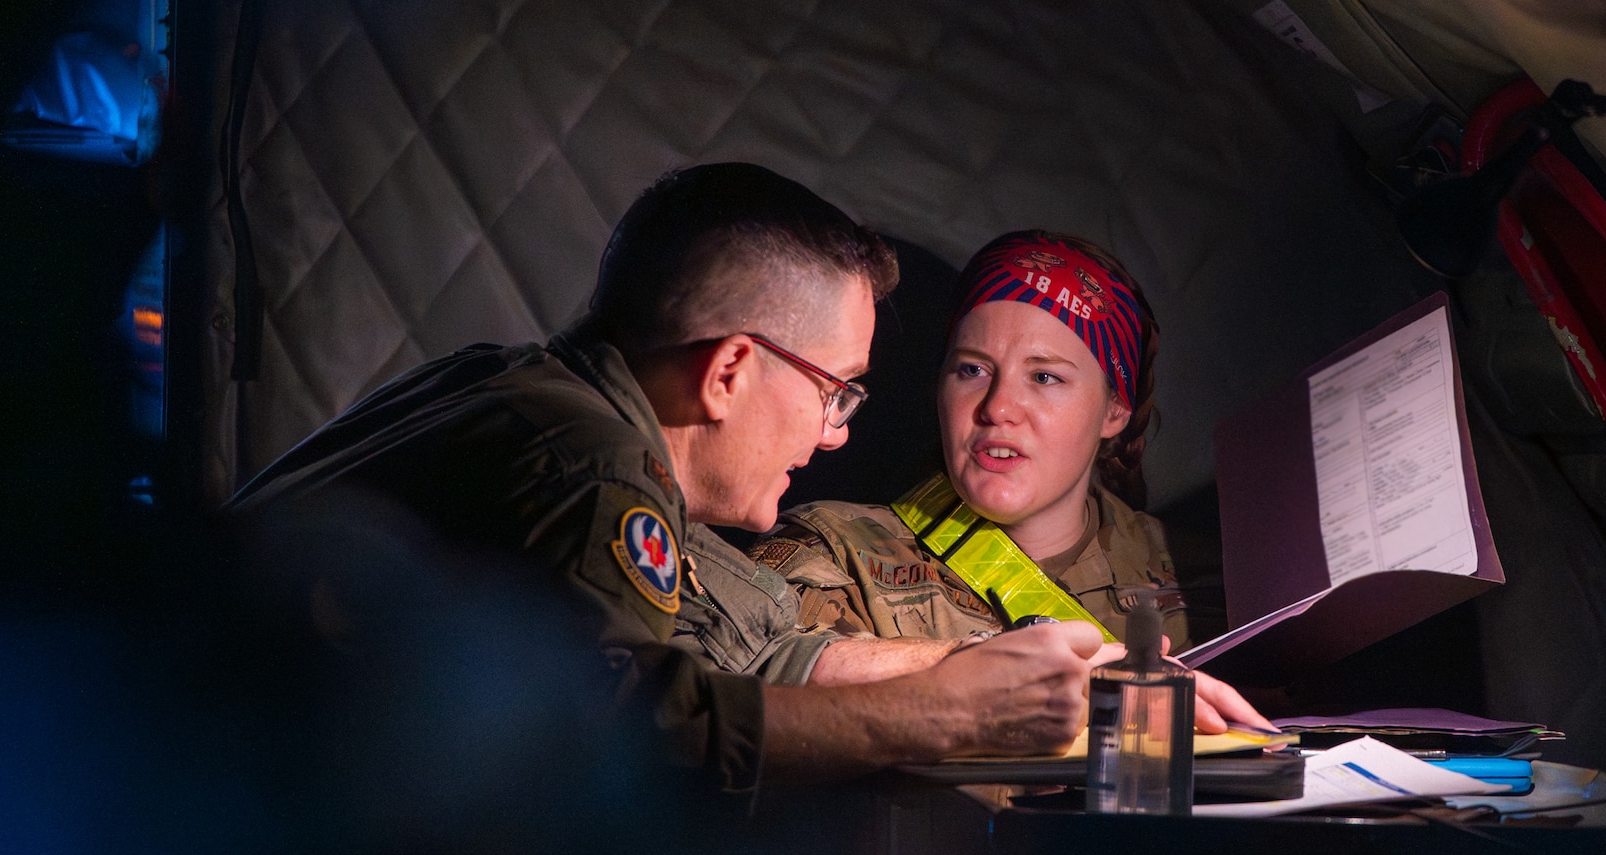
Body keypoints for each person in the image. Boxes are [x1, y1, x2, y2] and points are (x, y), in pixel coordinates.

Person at [229, 165, 1105, 793]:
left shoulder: (522, 390)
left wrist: (976, 664)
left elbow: (749, 652)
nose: (834, 436)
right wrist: (939, 717)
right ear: (728, 371)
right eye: (834, 390)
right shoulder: (591, 463)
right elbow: (628, 724)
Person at [732, 229, 1266, 732]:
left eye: (1045, 377)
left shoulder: (1219, 582)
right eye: (972, 370)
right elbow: (744, 691)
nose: (998, 407)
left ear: (1114, 411)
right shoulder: (834, 551)